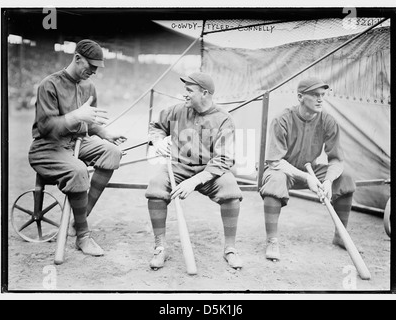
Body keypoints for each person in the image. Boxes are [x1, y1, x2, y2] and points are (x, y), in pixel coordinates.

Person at [28, 39, 126, 256]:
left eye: (96, 68)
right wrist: (74, 116)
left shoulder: (89, 87)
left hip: (78, 142)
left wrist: (105, 133)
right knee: (79, 170)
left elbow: (88, 122)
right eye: (90, 66)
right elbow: (46, 127)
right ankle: (83, 236)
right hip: (48, 146)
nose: (93, 72)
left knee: (112, 153)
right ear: (77, 58)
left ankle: (79, 219)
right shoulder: (49, 84)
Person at [145, 72, 244, 270]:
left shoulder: (224, 119)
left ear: (205, 93)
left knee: (231, 190)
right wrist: (157, 141)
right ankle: (160, 247)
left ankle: (230, 249)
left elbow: (223, 159)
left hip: (209, 171)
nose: (185, 95)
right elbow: (155, 127)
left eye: (189, 91)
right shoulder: (176, 111)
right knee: (156, 186)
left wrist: (194, 181)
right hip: (178, 168)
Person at [259, 77, 356, 261]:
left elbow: (336, 160)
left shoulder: (328, 120)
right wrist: (306, 177)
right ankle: (272, 240)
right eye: (314, 95)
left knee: (346, 178)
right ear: (300, 97)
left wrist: (328, 181)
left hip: (309, 170)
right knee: (275, 180)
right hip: (283, 170)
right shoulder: (282, 119)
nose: (320, 99)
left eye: (322, 95)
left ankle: (341, 235)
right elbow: (274, 161)